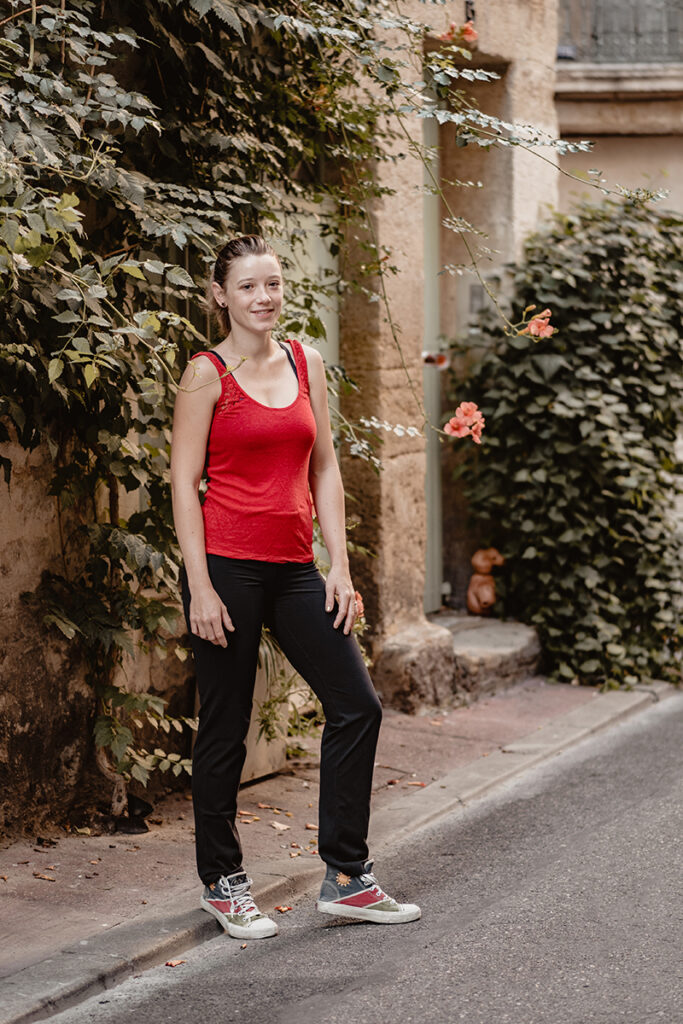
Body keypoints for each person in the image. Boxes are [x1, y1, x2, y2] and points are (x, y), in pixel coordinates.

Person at [170, 234, 421, 940]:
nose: (263, 297)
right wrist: (199, 586)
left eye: (272, 284)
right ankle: (222, 884)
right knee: (225, 728)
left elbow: (326, 470)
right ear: (220, 295)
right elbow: (183, 486)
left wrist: (338, 564)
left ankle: (346, 876)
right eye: (248, 286)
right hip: (226, 567)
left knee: (356, 705)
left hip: (293, 569)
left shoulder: (305, 362)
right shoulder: (205, 374)